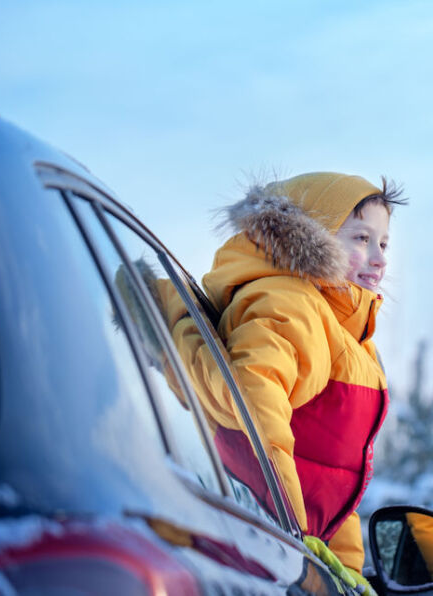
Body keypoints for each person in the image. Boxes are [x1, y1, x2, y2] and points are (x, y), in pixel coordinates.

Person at [168, 172, 404, 593]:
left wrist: (346, 574)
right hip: (267, 556)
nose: (379, 257)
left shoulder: (348, 338)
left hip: (293, 561)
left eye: (383, 243)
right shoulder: (292, 307)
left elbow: (335, 482)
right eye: (361, 239)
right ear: (313, 236)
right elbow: (253, 409)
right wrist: (292, 541)